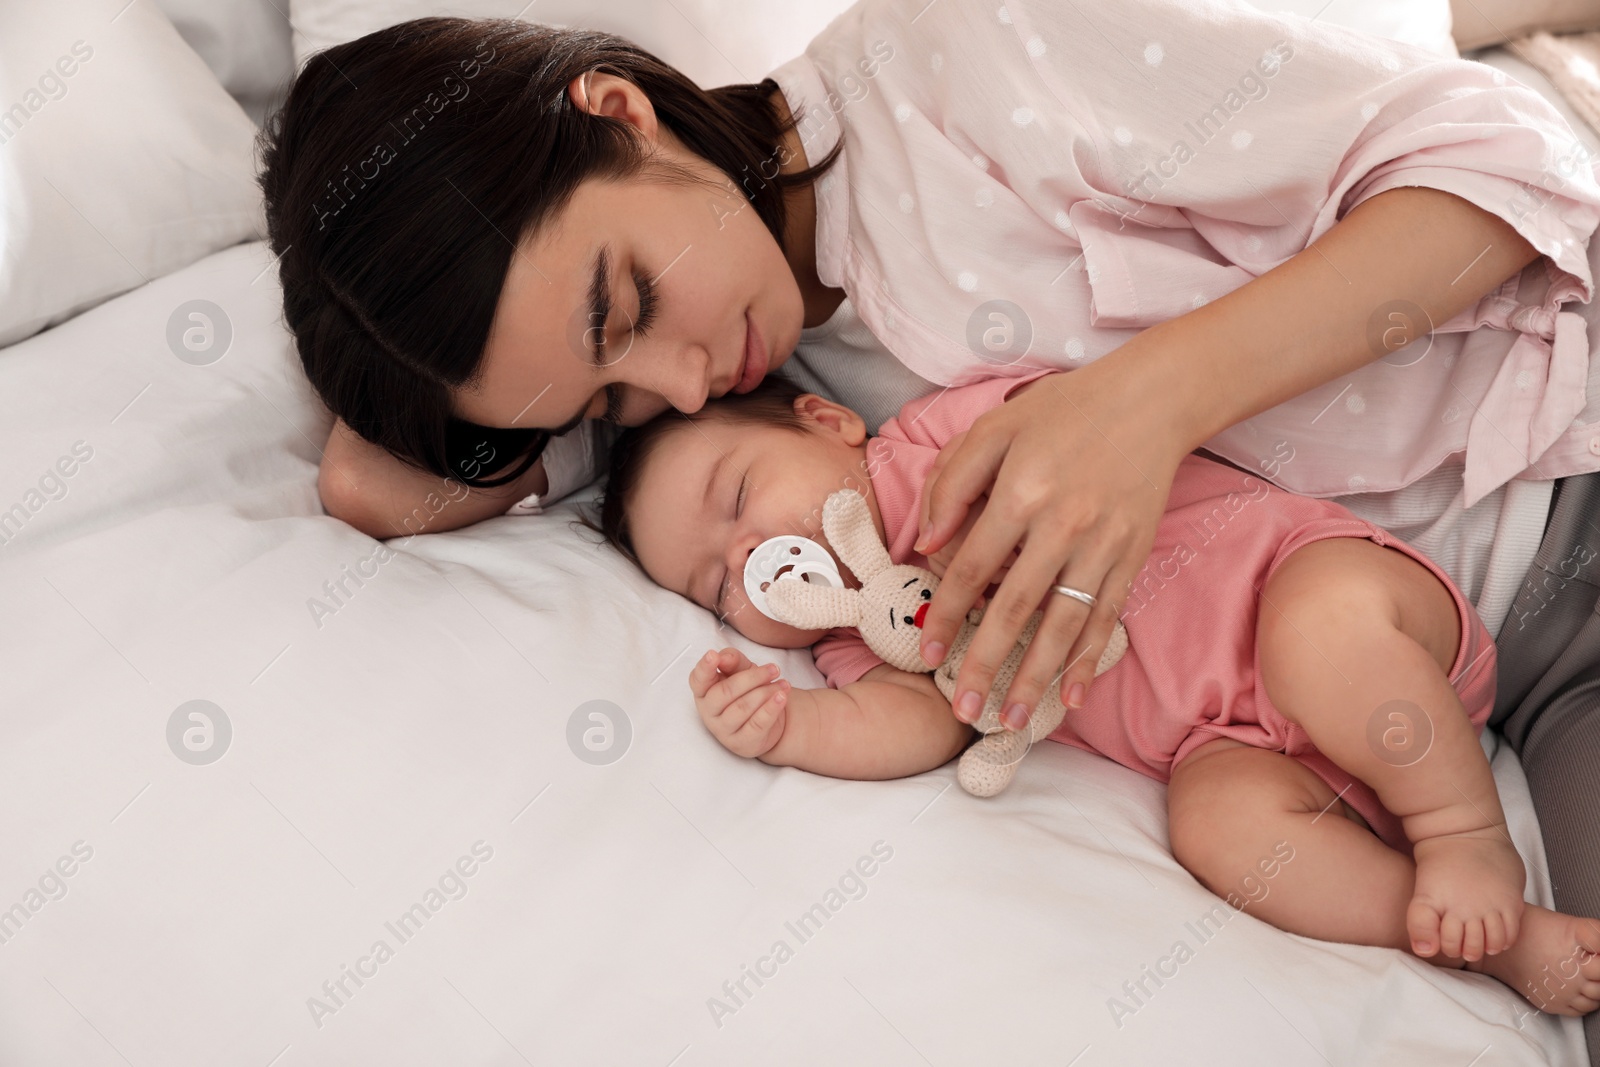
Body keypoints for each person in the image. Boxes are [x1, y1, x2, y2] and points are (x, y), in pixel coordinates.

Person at [256, 2, 1600, 1050]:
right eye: (598, 395)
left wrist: (1140, 405)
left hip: (1569, 498)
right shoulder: (717, 417)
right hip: (1463, 712)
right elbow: (374, 492)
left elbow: (1513, 176)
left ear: (619, 110)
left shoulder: (973, 59)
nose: (665, 386)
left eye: (621, 314)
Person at [590, 372, 1600, 1014]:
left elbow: (1083, 430)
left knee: (1317, 634)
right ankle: (1492, 938)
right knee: (1217, 828)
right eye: (718, 584)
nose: (755, 555)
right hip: (1229, 742)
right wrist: (789, 723)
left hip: (1324, 591)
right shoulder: (863, 641)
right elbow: (914, 725)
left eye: (737, 498)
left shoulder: (944, 439)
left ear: (824, 418)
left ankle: (1462, 833)